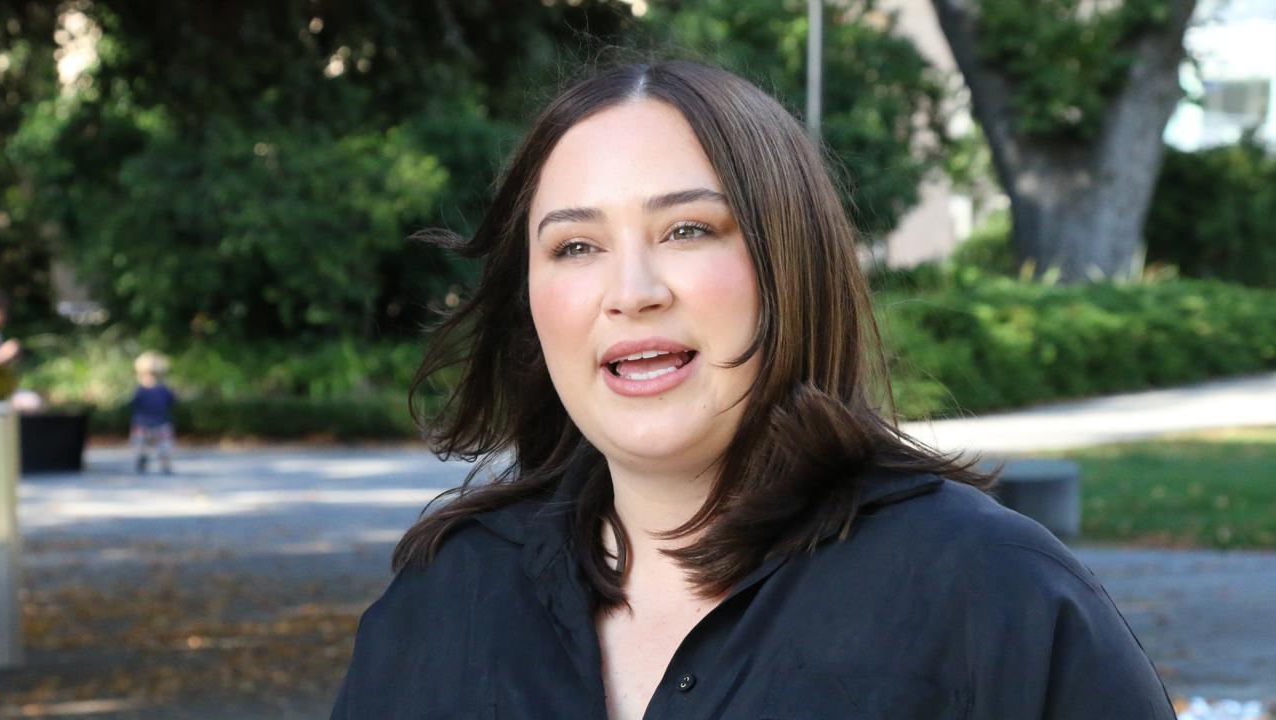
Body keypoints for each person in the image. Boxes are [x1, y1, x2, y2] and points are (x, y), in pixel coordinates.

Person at [331, 61, 1176, 719]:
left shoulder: (993, 597)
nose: (632, 289)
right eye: (576, 246)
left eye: (688, 229)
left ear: (789, 268)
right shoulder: (445, 602)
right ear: (531, 302)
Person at [130, 351, 177, 474]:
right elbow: (171, 402)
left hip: (144, 422)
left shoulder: (140, 390)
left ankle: (144, 458)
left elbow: (134, 404)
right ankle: (163, 462)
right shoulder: (164, 389)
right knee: (164, 445)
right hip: (160, 422)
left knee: (142, 444)